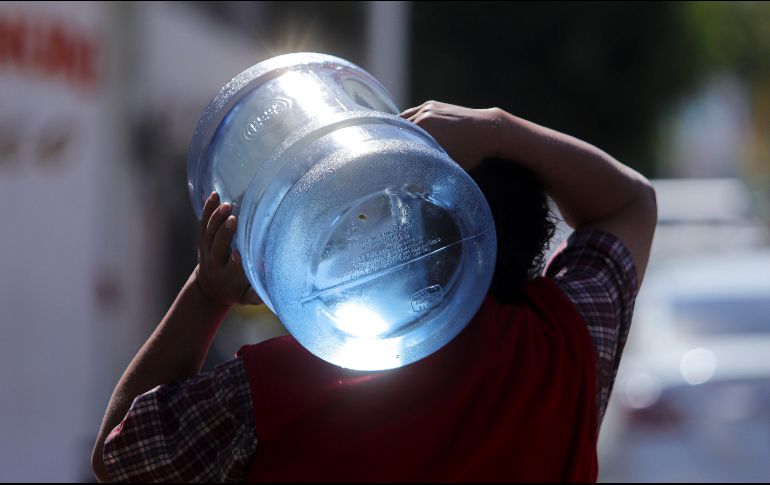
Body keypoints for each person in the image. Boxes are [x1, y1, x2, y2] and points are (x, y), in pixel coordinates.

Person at [91, 101, 656, 482]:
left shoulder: (282, 387)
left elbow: (119, 458)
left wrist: (205, 293)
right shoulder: (565, 347)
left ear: (411, 234)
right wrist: (499, 129)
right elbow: (631, 202)